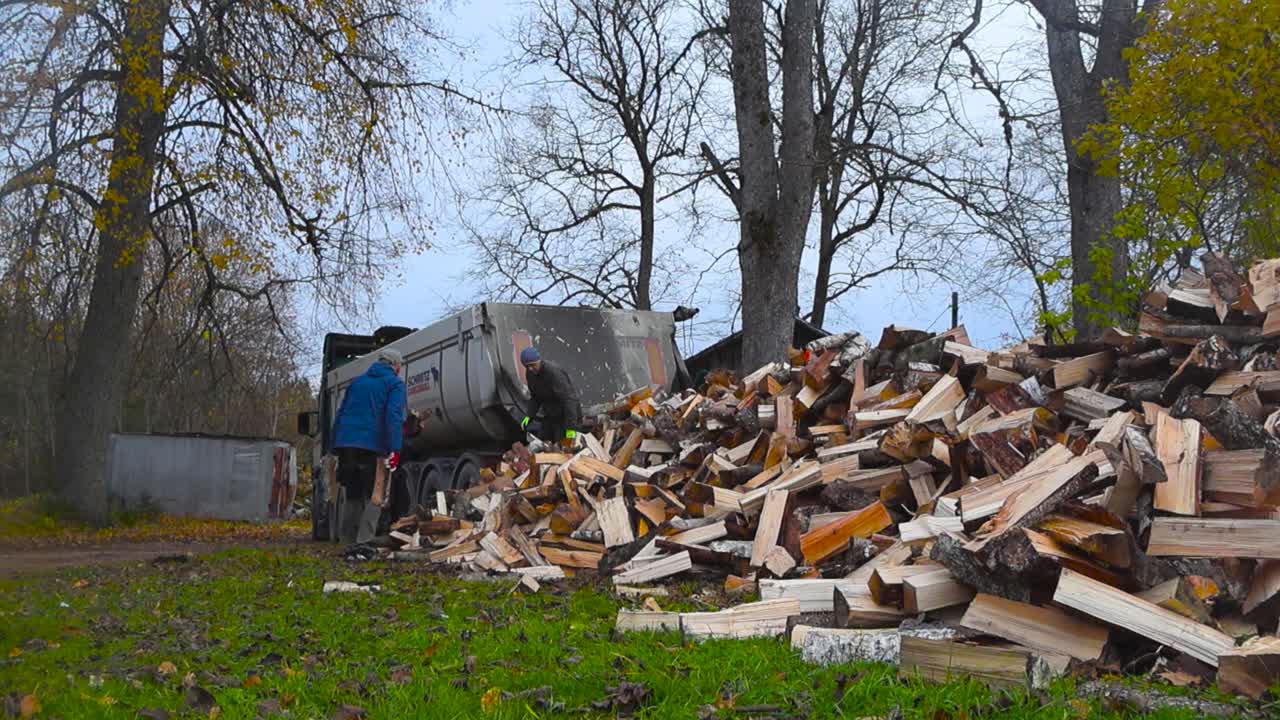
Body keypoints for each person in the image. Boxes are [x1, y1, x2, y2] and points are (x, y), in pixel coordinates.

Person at [331, 347, 406, 548]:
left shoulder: (357, 382)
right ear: (395, 366)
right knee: (376, 494)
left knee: (353, 493)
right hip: (373, 447)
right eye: (400, 366)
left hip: (346, 444)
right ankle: (364, 542)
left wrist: (334, 446)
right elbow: (393, 417)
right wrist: (395, 449)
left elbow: (341, 414)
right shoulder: (394, 384)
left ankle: (346, 542)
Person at [518, 346, 581, 445]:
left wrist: (571, 430)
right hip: (550, 414)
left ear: (539, 360)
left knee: (564, 447)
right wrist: (528, 417)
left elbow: (569, 401)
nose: (530, 369)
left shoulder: (554, 373)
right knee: (542, 443)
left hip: (565, 417)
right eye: (526, 366)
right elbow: (535, 398)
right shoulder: (531, 374)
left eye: (532, 365)